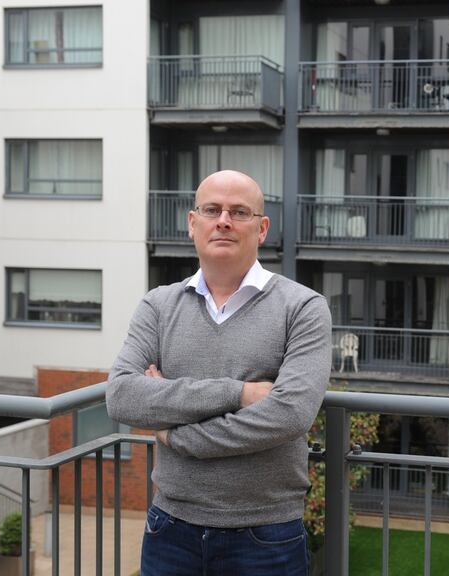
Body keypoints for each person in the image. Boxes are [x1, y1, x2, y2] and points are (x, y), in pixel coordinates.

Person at [106, 170, 331, 575]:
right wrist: (240, 394)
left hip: (266, 536)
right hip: (169, 530)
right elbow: (122, 395)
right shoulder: (158, 306)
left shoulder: (304, 308)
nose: (223, 220)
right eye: (212, 210)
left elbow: (290, 415)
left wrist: (173, 433)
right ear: (193, 224)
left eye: (239, 212)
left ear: (261, 229)